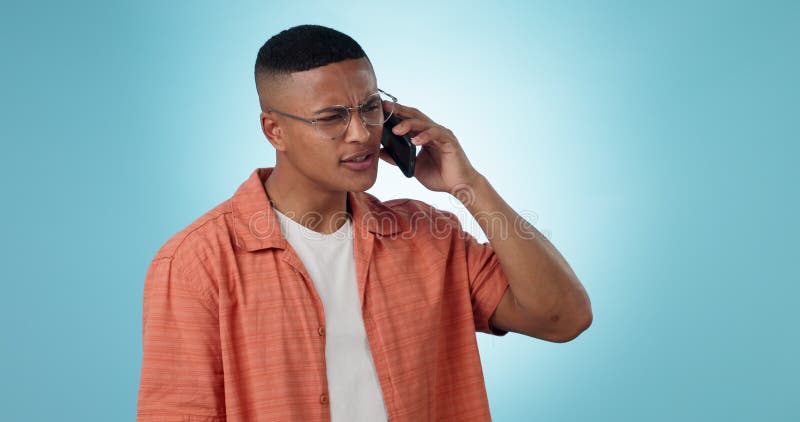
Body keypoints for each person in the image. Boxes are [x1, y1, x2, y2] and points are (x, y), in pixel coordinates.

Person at [136, 24, 592, 422]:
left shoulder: (429, 238)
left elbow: (563, 318)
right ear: (274, 131)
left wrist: (468, 184)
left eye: (370, 108)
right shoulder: (197, 263)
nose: (361, 134)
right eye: (332, 117)